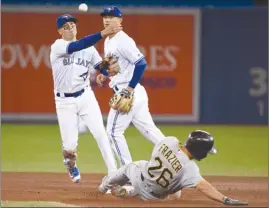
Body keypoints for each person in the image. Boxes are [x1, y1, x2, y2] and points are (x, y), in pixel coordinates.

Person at [50, 14, 122, 183]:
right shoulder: (58, 46)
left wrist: (109, 71)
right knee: (70, 146)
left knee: (101, 134)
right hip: (64, 101)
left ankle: (114, 173)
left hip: (85, 96)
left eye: (72, 24)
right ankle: (70, 162)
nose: (70, 27)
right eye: (65, 26)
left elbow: (100, 66)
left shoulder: (89, 49)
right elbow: (79, 44)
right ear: (60, 31)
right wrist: (103, 33)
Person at [93, 5, 166, 169]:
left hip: (129, 92)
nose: (107, 20)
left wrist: (130, 89)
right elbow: (112, 62)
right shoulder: (108, 40)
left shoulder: (123, 40)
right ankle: (180, 156)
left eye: (111, 17)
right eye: (105, 17)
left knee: (113, 133)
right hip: (134, 93)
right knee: (150, 131)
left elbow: (141, 63)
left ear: (120, 21)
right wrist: (104, 73)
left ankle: (127, 172)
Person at [98, 130, 248, 206]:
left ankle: (105, 186)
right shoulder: (190, 169)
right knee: (176, 192)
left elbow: (154, 155)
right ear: (200, 151)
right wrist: (225, 199)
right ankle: (130, 192)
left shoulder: (169, 141)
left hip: (140, 176)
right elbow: (204, 187)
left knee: (131, 166)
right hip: (153, 196)